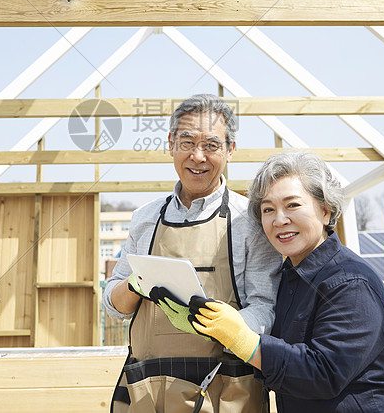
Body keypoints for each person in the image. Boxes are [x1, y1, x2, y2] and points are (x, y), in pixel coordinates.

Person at [104, 94, 281, 413]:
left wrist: (228, 325)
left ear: (230, 150)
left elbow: (267, 307)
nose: (197, 156)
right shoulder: (145, 218)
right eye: (186, 142)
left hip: (225, 392)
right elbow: (114, 307)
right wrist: (133, 285)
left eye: (211, 145)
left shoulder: (250, 221)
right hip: (148, 391)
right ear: (171, 144)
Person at [190, 150, 384, 412]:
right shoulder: (290, 278)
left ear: (325, 210)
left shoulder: (351, 283)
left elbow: (323, 374)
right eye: (268, 209)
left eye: (292, 205)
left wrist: (244, 341)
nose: (279, 220)